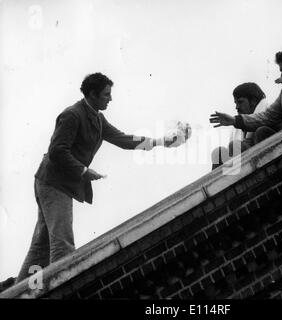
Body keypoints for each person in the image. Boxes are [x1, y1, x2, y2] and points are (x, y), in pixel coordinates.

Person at [16, 73, 183, 282]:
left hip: (57, 184)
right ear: (93, 94)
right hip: (53, 184)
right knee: (62, 244)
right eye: (106, 95)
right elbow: (57, 150)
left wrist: (160, 142)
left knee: (42, 245)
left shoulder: (97, 117)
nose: (110, 99)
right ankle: (64, 287)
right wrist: (84, 172)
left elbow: (124, 140)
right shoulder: (72, 115)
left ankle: (20, 290)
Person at [211, 82, 269, 170]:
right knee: (218, 153)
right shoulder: (237, 125)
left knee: (235, 145)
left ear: (253, 101)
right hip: (244, 158)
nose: (237, 107)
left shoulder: (267, 110)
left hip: (262, 158)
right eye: (236, 103)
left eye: (240, 102)